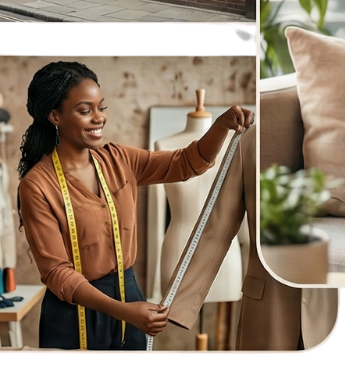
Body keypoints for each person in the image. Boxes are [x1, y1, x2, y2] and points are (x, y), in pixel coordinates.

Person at [17, 61, 252, 350]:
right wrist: (123, 311)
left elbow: (187, 163)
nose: (98, 118)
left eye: (101, 108)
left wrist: (221, 125)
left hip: (128, 293)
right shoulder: (38, 185)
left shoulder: (119, 159)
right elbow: (58, 273)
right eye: (84, 110)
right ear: (55, 115)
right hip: (73, 309)